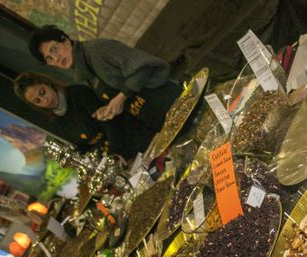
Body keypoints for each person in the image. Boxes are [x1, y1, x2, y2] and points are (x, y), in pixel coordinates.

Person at [27, 25, 181, 130]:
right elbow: (119, 91)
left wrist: (121, 97)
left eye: (55, 49)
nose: (56, 58)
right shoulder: (83, 72)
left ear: (65, 39)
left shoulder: (97, 49)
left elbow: (145, 68)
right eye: (49, 58)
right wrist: (108, 108)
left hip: (173, 103)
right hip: (158, 121)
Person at [13, 72, 154, 159]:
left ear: (47, 83)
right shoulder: (55, 122)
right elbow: (83, 147)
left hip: (136, 144)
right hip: (119, 162)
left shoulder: (78, 93)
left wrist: (114, 157)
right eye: (37, 101)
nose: (46, 100)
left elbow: (112, 124)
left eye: (42, 92)